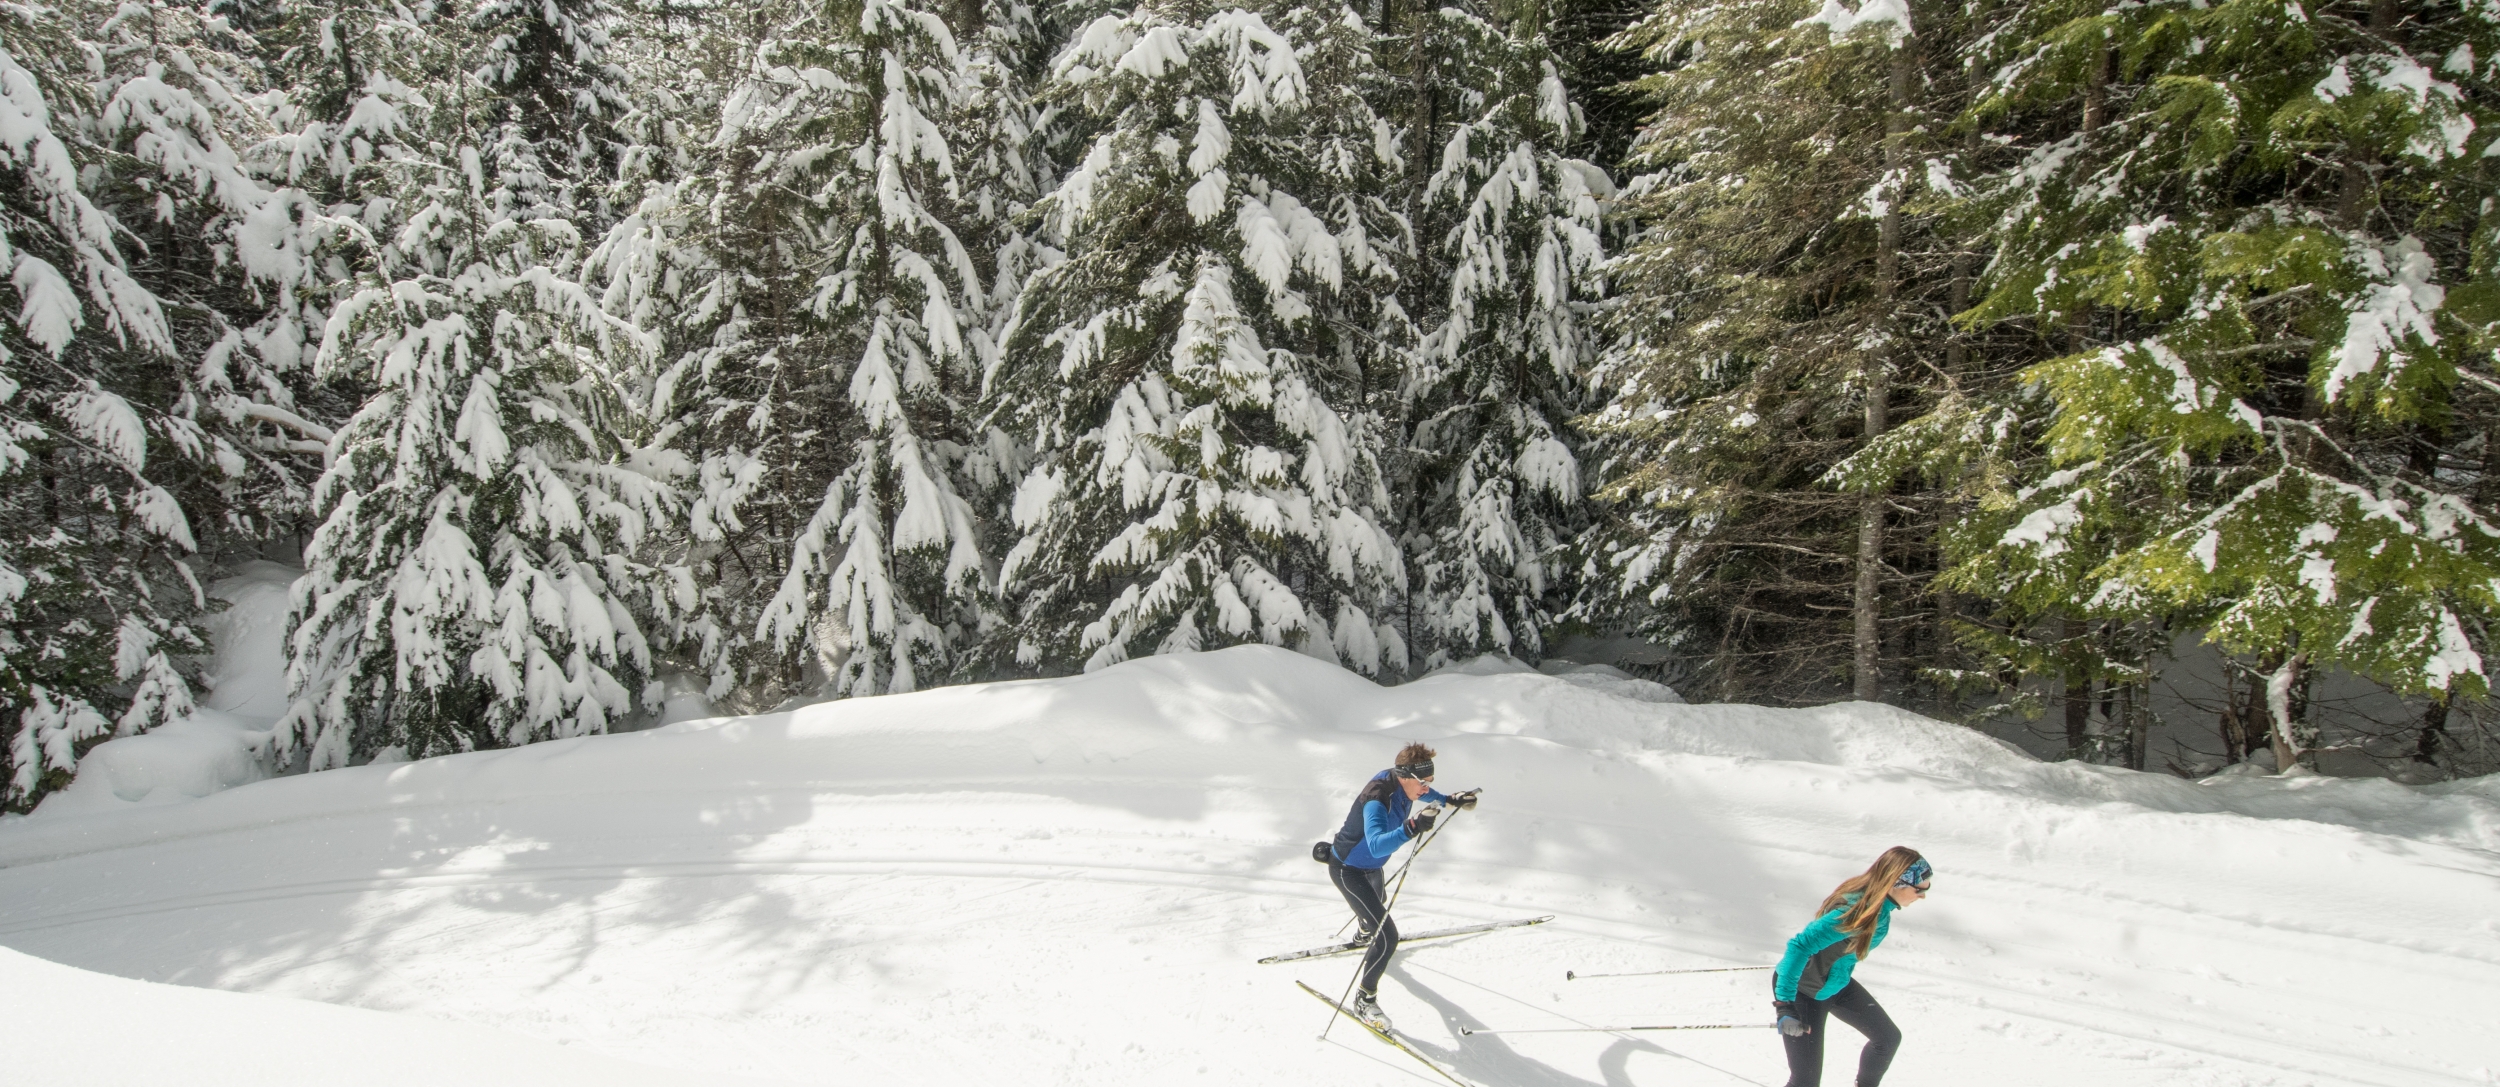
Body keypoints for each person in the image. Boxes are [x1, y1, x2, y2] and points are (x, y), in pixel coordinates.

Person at [1326, 742, 1477, 1031]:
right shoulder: (1377, 798)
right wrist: (1411, 827)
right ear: (1405, 776)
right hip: (1348, 870)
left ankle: (1363, 932)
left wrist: (1447, 799)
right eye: (1423, 783)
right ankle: (1364, 1000)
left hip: (1371, 866)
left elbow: (1424, 792)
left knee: (1377, 899)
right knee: (1388, 937)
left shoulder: (1405, 781)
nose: (1426, 789)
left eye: (1430, 782)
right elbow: (1376, 842)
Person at [1769, 847, 1931, 1087]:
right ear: (1896, 883)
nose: (1923, 895)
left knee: (1886, 1039)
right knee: (1805, 1081)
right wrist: (1785, 1005)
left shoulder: (1879, 907)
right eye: (1920, 889)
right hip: (1803, 992)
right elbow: (1799, 947)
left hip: (1834, 985)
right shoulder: (1854, 912)